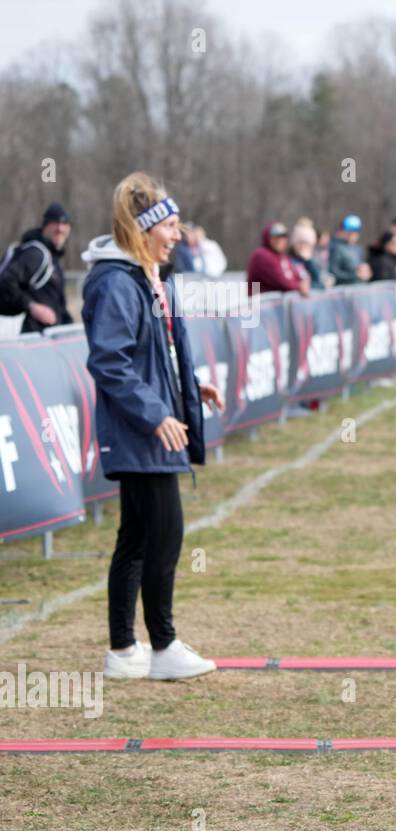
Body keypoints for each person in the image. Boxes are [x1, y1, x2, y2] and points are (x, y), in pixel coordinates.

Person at [80, 171, 225, 681]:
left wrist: (191, 388)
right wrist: (156, 412)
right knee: (164, 535)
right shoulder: (118, 282)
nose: (178, 235)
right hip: (141, 433)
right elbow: (110, 361)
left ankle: (123, 651)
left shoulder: (146, 278)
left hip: (152, 426)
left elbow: (154, 353)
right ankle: (162, 646)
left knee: (137, 537)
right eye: (171, 225)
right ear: (144, 229)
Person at [0, 202, 74, 333]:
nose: (60, 228)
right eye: (55, 223)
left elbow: (57, 304)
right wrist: (32, 306)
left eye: (65, 224)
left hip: (50, 341)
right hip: (32, 342)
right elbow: (6, 281)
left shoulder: (53, 257)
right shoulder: (36, 254)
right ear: (45, 225)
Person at [246, 221, 309, 296]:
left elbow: (295, 276)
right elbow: (281, 282)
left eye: (283, 237)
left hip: (277, 305)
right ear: (268, 238)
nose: (280, 240)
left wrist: (302, 284)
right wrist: (299, 286)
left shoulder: (283, 257)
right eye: (276, 237)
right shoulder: (261, 255)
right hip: (260, 305)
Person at [328, 215, 371, 286]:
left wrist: (366, 272)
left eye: (355, 232)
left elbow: (361, 267)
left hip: (359, 286)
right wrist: (354, 275)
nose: (352, 235)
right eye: (350, 232)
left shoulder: (359, 249)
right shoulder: (337, 249)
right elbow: (333, 271)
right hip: (344, 288)